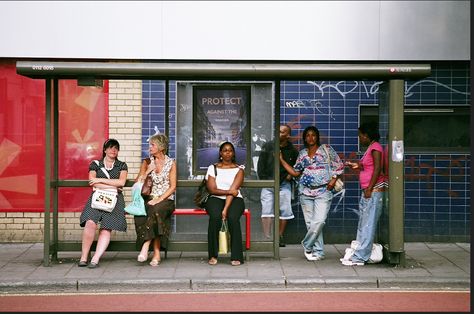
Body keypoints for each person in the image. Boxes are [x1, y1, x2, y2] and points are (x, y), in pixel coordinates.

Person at [280, 126, 344, 261]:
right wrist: (281, 161)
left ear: (317, 137)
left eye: (313, 135)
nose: (311, 138)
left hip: (323, 191)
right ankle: (319, 252)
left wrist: (333, 180)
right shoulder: (302, 153)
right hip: (305, 192)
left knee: (319, 221)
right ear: (304, 138)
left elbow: (339, 166)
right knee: (311, 223)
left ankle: (307, 244)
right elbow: (296, 172)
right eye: (308, 135)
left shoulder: (326, 149)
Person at [342, 121, 387, 266]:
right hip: (369, 191)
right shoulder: (371, 148)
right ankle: (359, 253)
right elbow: (368, 166)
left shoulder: (376, 148)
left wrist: (369, 188)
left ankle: (361, 257)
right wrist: (356, 165)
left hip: (373, 191)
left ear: (367, 136)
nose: (360, 138)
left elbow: (378, 169)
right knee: (363, 223)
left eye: (361, 136)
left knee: (368, 225)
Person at [78, 139, 128, 268]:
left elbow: (121, 183)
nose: (113, 150)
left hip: (115, 200)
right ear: (104, 150)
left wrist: (100, 181)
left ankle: (95, 259)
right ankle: (84, 257)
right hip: (97, 198)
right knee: (90, 222)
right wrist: (113, 185)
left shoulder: (122, 165)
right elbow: (91, 182)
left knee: (106, 228)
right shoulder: (95, 164)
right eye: (111, 147)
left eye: (116, 148)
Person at [135, 134, 177, 266]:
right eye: (150, 145)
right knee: (153, 212)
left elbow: (173, 186)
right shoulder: (147, 162)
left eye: (153, 145)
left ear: (161, 147)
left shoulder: (171, 163)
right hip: (149, 199)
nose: (150, 147)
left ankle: (146, 246)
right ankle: (157, 253)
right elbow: (137, 183)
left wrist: (159, 199)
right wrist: (147, 171)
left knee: (156, 209)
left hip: (166, 199)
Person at [257, 124, 299, 247]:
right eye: (278, 131)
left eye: (282, 132)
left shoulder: (292, 150)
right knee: (266, 210)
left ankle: (278, 236)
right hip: (268, 183)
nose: (278, 133)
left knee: (285, 210)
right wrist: (264, 180)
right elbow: (261, 165)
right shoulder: (269, 146)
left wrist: (290, 176)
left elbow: (297, 168)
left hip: (284, 184)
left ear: (288, 135)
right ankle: (267, 237)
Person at [205, 141, 245, 266]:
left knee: (233, 218)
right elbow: (212, 189)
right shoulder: (213, 168)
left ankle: (236, 256)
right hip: (215, 198)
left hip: (235, 200)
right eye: (225, 150)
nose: (228, 152)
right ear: (220, 153)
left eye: (230, 150)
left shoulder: (239, 169)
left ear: (233, 153)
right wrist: (228, 191)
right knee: (215, 218)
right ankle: (212, 255)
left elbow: (234, 192)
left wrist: (225, 209)